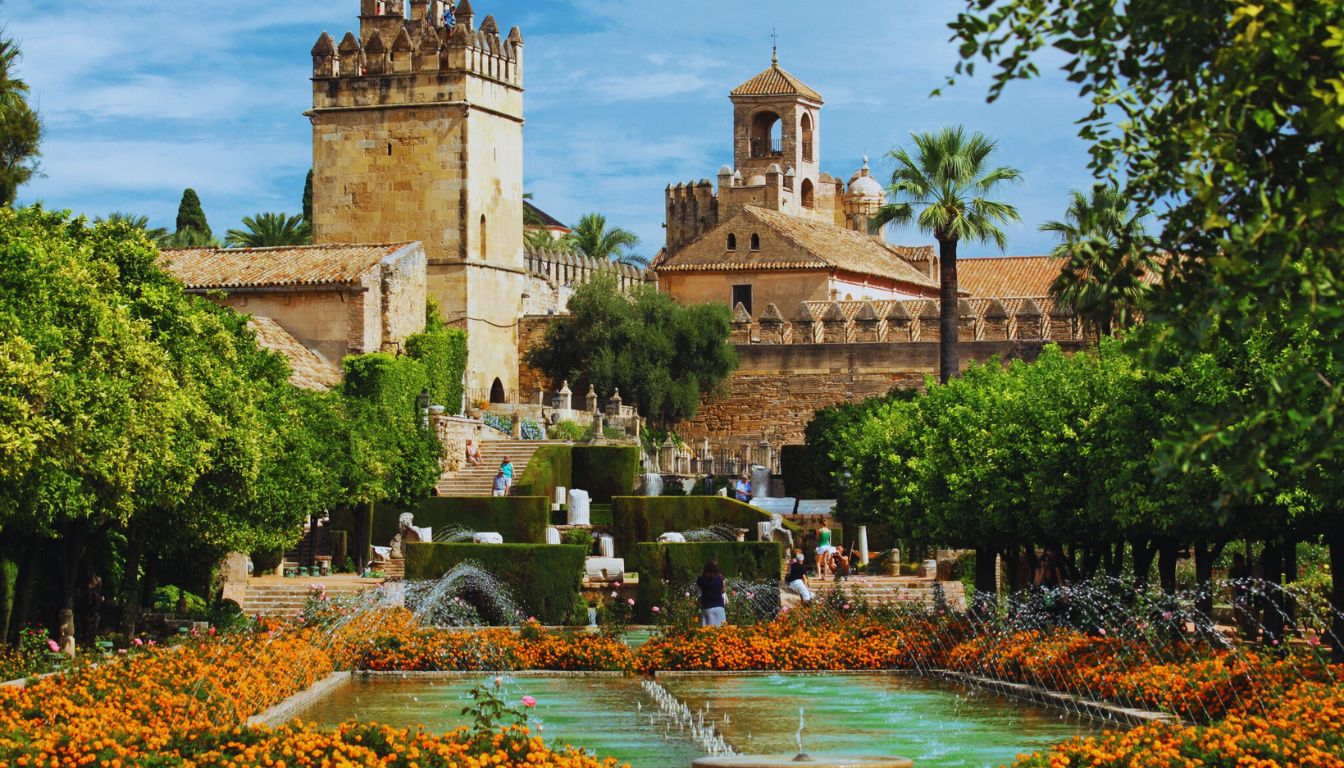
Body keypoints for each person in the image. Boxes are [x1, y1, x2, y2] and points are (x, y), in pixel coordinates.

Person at [697, 559, 727, 627]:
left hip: (707, 608)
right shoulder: (721, 579)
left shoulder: (700, 580)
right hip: (719, 608)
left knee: (707, 634)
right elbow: (723, 590)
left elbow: (699, 591)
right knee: (721, 633)